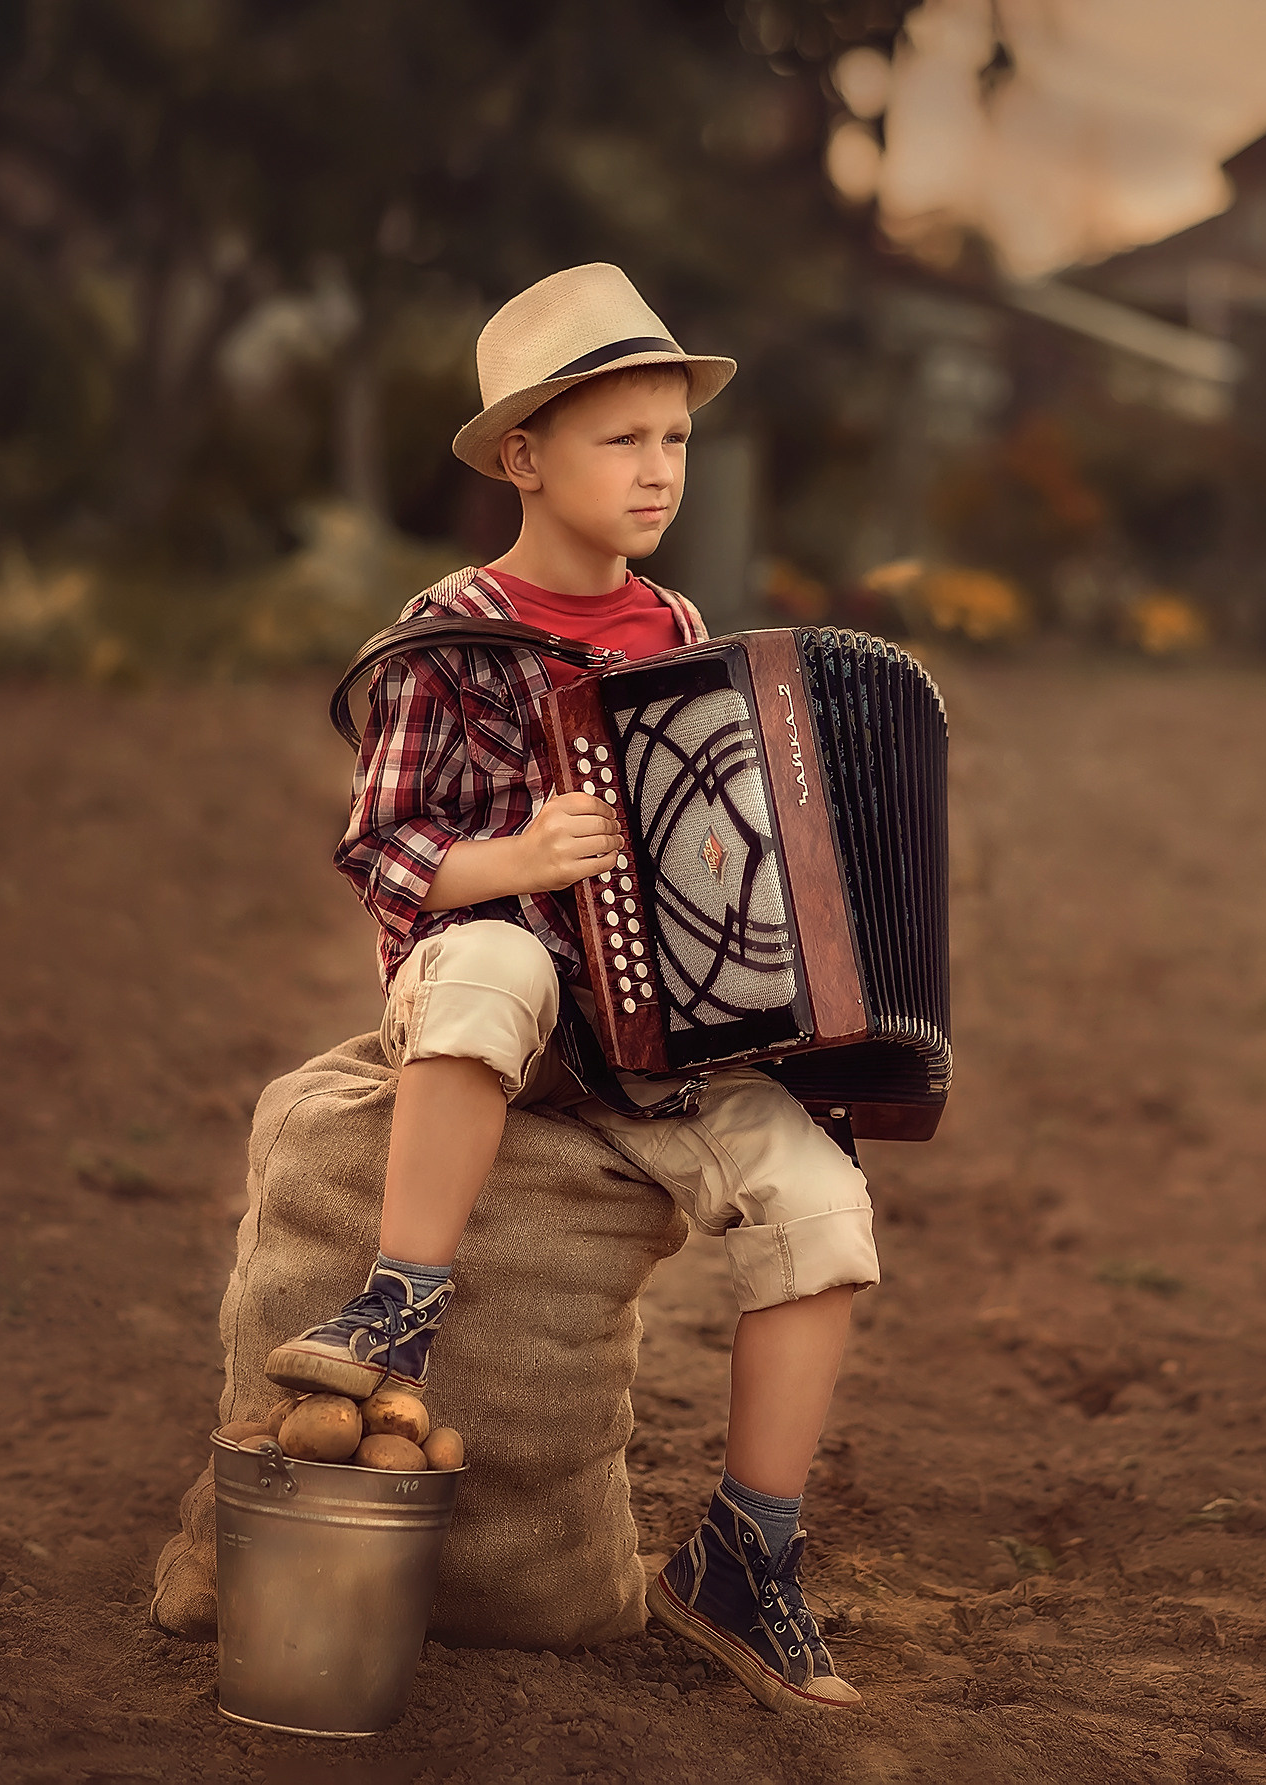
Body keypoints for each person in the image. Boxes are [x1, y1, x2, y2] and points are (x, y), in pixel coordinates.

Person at [263, 264, 874, 1713]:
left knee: (825, 1209)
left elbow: (705, 861)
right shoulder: (448, 633)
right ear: (525, 457)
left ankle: (744, 1550)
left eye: (674, 438)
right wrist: (521, 853)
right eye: (623, 439)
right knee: (492, 954)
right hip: (489, 1005)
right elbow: (387, 844)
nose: (659, 468)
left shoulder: (678, 631)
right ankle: (398, 1303)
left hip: (642, 1042)